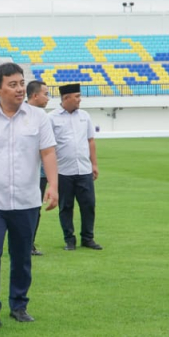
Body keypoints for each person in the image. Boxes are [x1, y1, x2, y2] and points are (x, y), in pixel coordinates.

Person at [0, 64, 59, 332]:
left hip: (27, 200)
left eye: (21, 83)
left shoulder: (39, 118)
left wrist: (53, 185)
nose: (19, 89)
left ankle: (19, 305)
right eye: (12, 84)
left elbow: (48, 153)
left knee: (21, 255)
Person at [50, 83, 102, 251]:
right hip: (63, 170)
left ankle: (88, 238)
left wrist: (94, 163)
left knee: (88, 205)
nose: (80, 100)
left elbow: (90, 140)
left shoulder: (85, 116)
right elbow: (48, 147)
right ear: (66, 98)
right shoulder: (52, 118)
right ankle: (69, 240)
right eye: (77, 97)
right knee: (66, 207)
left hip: (84, 169)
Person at [25, 80, 51, 256]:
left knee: (35, 209)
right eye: (46, 94)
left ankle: (29, 244)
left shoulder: (43, 117)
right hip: (24, 172)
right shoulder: (21, 115)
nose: (48, 98)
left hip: (40, 173)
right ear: (35, 95)